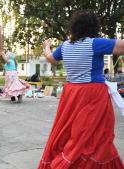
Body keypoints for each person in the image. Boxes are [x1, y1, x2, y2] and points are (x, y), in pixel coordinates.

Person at [38, 11, 124, 169]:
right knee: (97, 133)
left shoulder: (65, 46)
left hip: (71, 94)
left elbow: (50, 59)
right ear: (94, 27)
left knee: (70, 132)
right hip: (92, 93)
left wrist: (47, 46)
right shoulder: (95, 43)